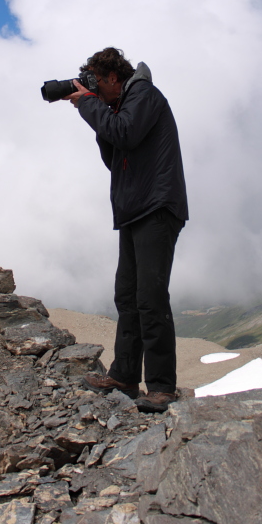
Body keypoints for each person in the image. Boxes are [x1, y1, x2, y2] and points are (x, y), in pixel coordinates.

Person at [64, 47, 188, 413]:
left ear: (114, 78)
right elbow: (114, 155)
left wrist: (90, 105)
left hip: (157, 206)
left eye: (97, 83)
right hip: (134, 210)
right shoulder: (120, 105)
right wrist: (98, 108)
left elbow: (126, 134)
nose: (95, 90)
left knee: (150, 296)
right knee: (127, 295)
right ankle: (124, 375)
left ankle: (163, 386)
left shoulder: (146, 95)